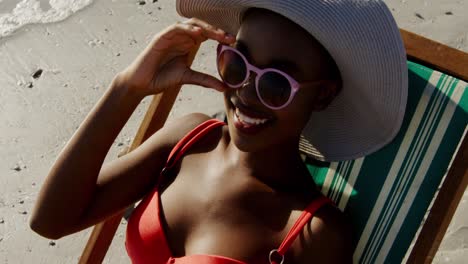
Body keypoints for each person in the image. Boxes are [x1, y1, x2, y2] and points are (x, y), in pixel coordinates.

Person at [30, 0, 408, 263]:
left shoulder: (313, 234)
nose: (244, 92)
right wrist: (127, 88)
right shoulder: (191, 139)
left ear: (323, 95)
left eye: (276, 84)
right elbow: (50, 221)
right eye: (236, 63)